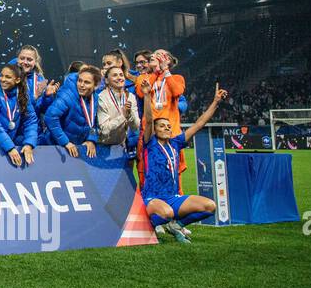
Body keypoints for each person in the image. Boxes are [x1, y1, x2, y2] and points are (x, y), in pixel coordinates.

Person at [140, 82, 227, 243]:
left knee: (210, 206)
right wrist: (146, 95)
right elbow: (149, 118)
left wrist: (215, 102)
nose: (166, 128)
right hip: (152, 197)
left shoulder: (176, 143)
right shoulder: (149, 143)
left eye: (168, 126)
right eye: (162, 126)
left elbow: (199, 124)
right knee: (166, 214)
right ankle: (148, 226)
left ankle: (176, 226)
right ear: (155, 129)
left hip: (173, 198)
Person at [135, 49, 187, 179]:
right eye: (153, 54)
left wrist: (165, 72)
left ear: (167, 60)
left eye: (158, 54)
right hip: (150, 133)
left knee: (174, 173)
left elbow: (177, 92)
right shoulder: (143, 78)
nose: (153, 55)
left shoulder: (177, 78)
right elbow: (142, 93)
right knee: (148, 173)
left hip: (171, 132)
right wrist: (156, 72)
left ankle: (176, 197)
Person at [0, 63, 37, 167]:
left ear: (17, 80)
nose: (3, 79)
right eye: (2, 75)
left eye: (8, 77)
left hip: (7, 141)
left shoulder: (23, 94)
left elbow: (31, 120)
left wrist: (29, 144)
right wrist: (10, 148)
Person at [45, 65, 101, 159]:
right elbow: (50, 117)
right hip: (55, 148)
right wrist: (65, 142)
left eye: (87, 82)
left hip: (76, 149)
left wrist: (91, 139)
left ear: (95, 85)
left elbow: (95, 123)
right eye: (80, 80)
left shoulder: (95, 98)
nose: (81, 85)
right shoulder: (67, 95)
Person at [97, 64, 140, 149]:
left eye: (121, 75)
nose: (119, 78)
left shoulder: (130, 96)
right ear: (106, 80)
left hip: (121, 146)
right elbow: (104, 130)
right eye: (114, 75)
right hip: (103, 147)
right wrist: (123, 116)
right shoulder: (101, 98)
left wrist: (129, 114)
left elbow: (135, 127)